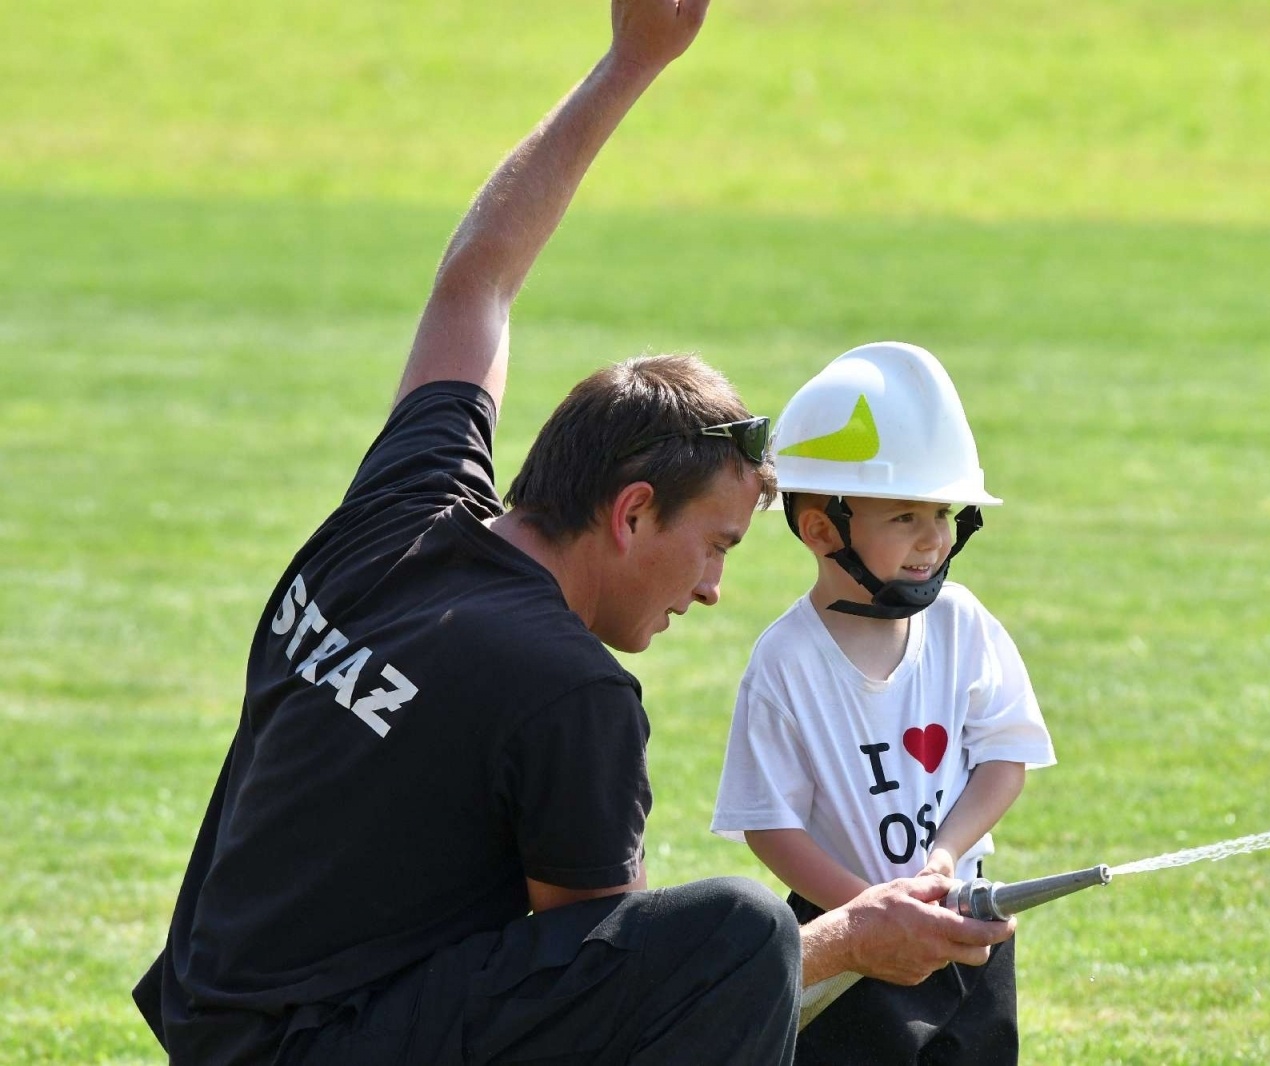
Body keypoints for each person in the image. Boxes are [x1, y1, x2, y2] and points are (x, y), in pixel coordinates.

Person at [132, 3, 1016, 1064]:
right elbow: (619, 994)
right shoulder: (570, 691)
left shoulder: (401, 509)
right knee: (735, 934)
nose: (712, 590)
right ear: (632, 510)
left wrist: (630, 62)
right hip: (315, 1048)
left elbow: (479, 280)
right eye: (719, 544)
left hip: (217, 1021)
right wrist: (855, 937)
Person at [712, 341, 1057, 1064]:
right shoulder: (786, 662)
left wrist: (944, 856)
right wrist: (863, 915)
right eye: (904, 516)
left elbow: (1003, 759)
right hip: (842, 933)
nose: (933, 537)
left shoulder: (963, 625)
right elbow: (769, 824)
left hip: (962, 920)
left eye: (941, 511)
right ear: (820, 529)